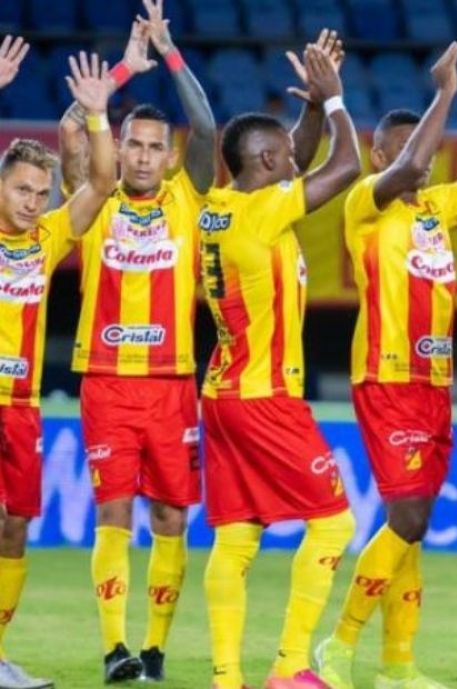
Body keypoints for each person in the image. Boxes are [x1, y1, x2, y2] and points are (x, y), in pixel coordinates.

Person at [314, 37, 457, 689]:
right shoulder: (364, 204)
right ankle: (338, 644)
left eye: (427, 153)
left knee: (415, 526)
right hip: (386, 378)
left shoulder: (436, 209)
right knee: (406, 516)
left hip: (434, 385)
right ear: (381, 157)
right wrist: (446, 94)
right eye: (408, 152)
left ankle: (398, 664)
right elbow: (408, 169)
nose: (424, 163)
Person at [57, 2, 215, 681]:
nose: (145, 155)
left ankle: (154, 650)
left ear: (169, 156)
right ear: (118, 149)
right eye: (135, 145)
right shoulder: (94, 197)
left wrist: (168, 52)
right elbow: (72, 131)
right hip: (107, 381)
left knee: (173, 516)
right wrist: (121, 71)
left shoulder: (187, 197)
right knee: (114, 513)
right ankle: (115, 649)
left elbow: (207, 126)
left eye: (155, 146)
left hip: (173, 383)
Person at [198, 43, 361, 689]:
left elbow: (296, 155)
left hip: (223, 391)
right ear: (265, 164)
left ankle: (225, 676)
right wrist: (338, 97)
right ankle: (291, 665)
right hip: (265, 396)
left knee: (237, 536)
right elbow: (346, 165)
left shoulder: (224, 203)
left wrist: (313, 108)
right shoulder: (263, 214)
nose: (297, 158)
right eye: (287, 157)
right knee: (335, 522)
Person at [0, 44, 119, 689]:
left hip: (21, 407)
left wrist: (98, 118)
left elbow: (100, 184)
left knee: (14, 528)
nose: (31, 201)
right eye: (21, 189)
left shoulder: (46, 238)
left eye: (40, 193)